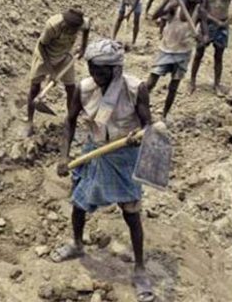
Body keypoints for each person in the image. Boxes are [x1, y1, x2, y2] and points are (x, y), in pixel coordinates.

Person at [52, 39, 155, 302]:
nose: (96, 76)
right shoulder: (84, 89)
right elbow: (70, 121)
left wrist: (138, 136)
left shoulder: (135, 89)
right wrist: (64, 156)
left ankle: (140, 269)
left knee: (131, 212)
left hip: (124, 156)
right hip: (95, 151)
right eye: (92, 70)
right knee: (79, 203)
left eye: (101, 72)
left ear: (116, 70)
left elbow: (149, 128)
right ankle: (77, 244)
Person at [147, 0, 209, 120]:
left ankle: (164, 114)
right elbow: (155, 16)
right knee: (151, 82)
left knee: (173, 87)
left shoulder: (200, 12)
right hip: (166, 50)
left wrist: (203, 40)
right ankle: (139, 107)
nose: (192, 0)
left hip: (183, 53)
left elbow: (206, 34)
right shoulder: (175, 6)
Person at [27, 7, 90, 136]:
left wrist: (83, 47)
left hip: (64, 56)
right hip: (44, 56)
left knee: (71, 88)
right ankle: (29, 122)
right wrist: (51, 72)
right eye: (69, 29)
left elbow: (87, 28)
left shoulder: (82, 23)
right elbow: (41, 45)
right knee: (34, 88)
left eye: (75, 30)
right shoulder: (52, 26)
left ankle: (70, 120)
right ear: (65, 24)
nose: (72, 32)